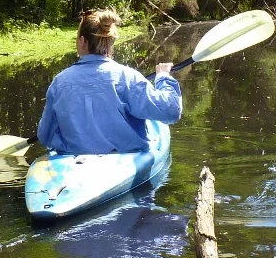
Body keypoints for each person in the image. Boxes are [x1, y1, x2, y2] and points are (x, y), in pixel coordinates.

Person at [35, 9, 182, 154]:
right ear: (111, 40)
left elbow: (45, 137)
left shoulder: (59, 82)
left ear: (82, 41)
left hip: (74, 163)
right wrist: (163, 77)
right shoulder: (128, 77)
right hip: (123, 163)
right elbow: (171, 112)